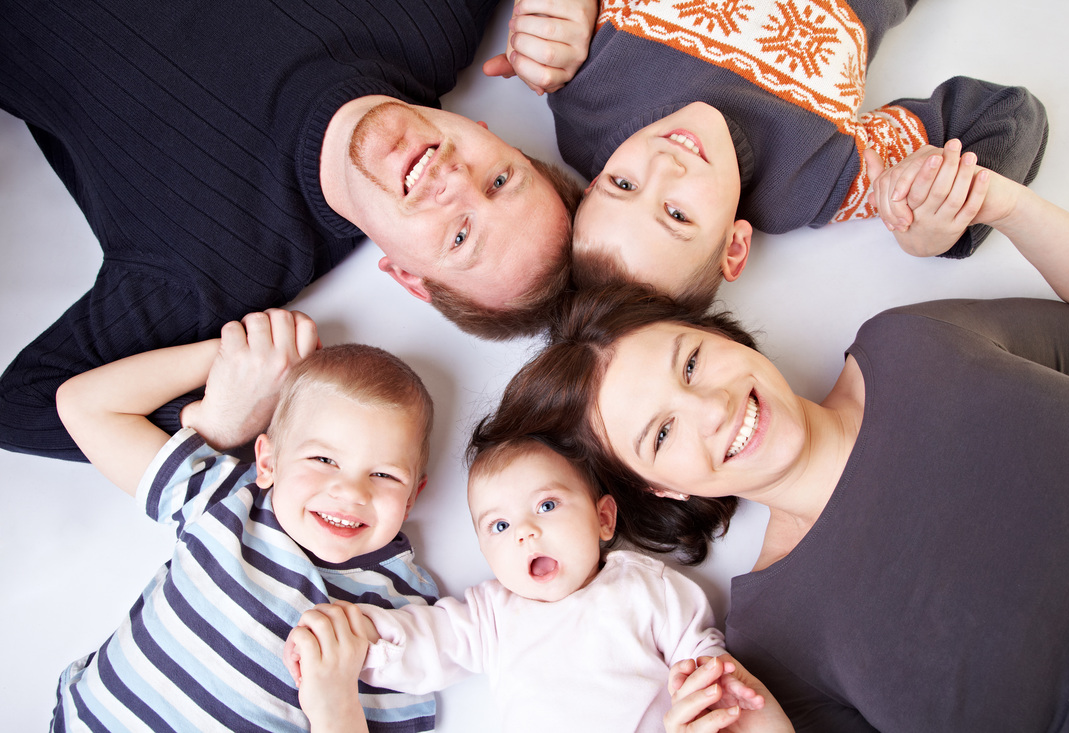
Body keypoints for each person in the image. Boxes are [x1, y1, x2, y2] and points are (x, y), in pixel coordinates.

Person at [473, 158, 1069, 730]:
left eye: (690, 363)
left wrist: (1006, 204)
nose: (711, 408)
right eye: (662, 434)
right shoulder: (770, 648)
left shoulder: (911, 343)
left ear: (724, 336)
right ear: (662, 489)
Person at [0, 0, 584, 463]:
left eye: (459, 237)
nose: (455, 180)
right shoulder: (429, 21)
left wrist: (209, 421)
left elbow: (22, 406)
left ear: (409, 278)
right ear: (492, 134)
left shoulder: (211, 269)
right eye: (500, 180)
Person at [50, 309, 441, 732]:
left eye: (383, 475)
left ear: (410, 499)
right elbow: (84, 406)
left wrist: (336, 706)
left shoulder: (403, 612)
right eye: (323, 459)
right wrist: (227, 356)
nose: (351, 492)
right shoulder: (232, 501)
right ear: (268, 462)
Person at [536, 0, 1048, 307]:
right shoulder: (811, 183)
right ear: (734, 247)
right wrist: (943, 218)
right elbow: (1007, 114)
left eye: (622, 184)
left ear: (594, 180)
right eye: (677, 214)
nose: (663, 167)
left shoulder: (583, 98)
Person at [282, 438, 792, 732]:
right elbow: (427, 643)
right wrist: (356, 636)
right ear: (487, 554)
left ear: (603, 519)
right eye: (499, 526)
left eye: (547, 505)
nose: (525, 532)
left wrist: (711, 680)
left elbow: (699, 650)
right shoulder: (492, 614)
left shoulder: (644, 586)